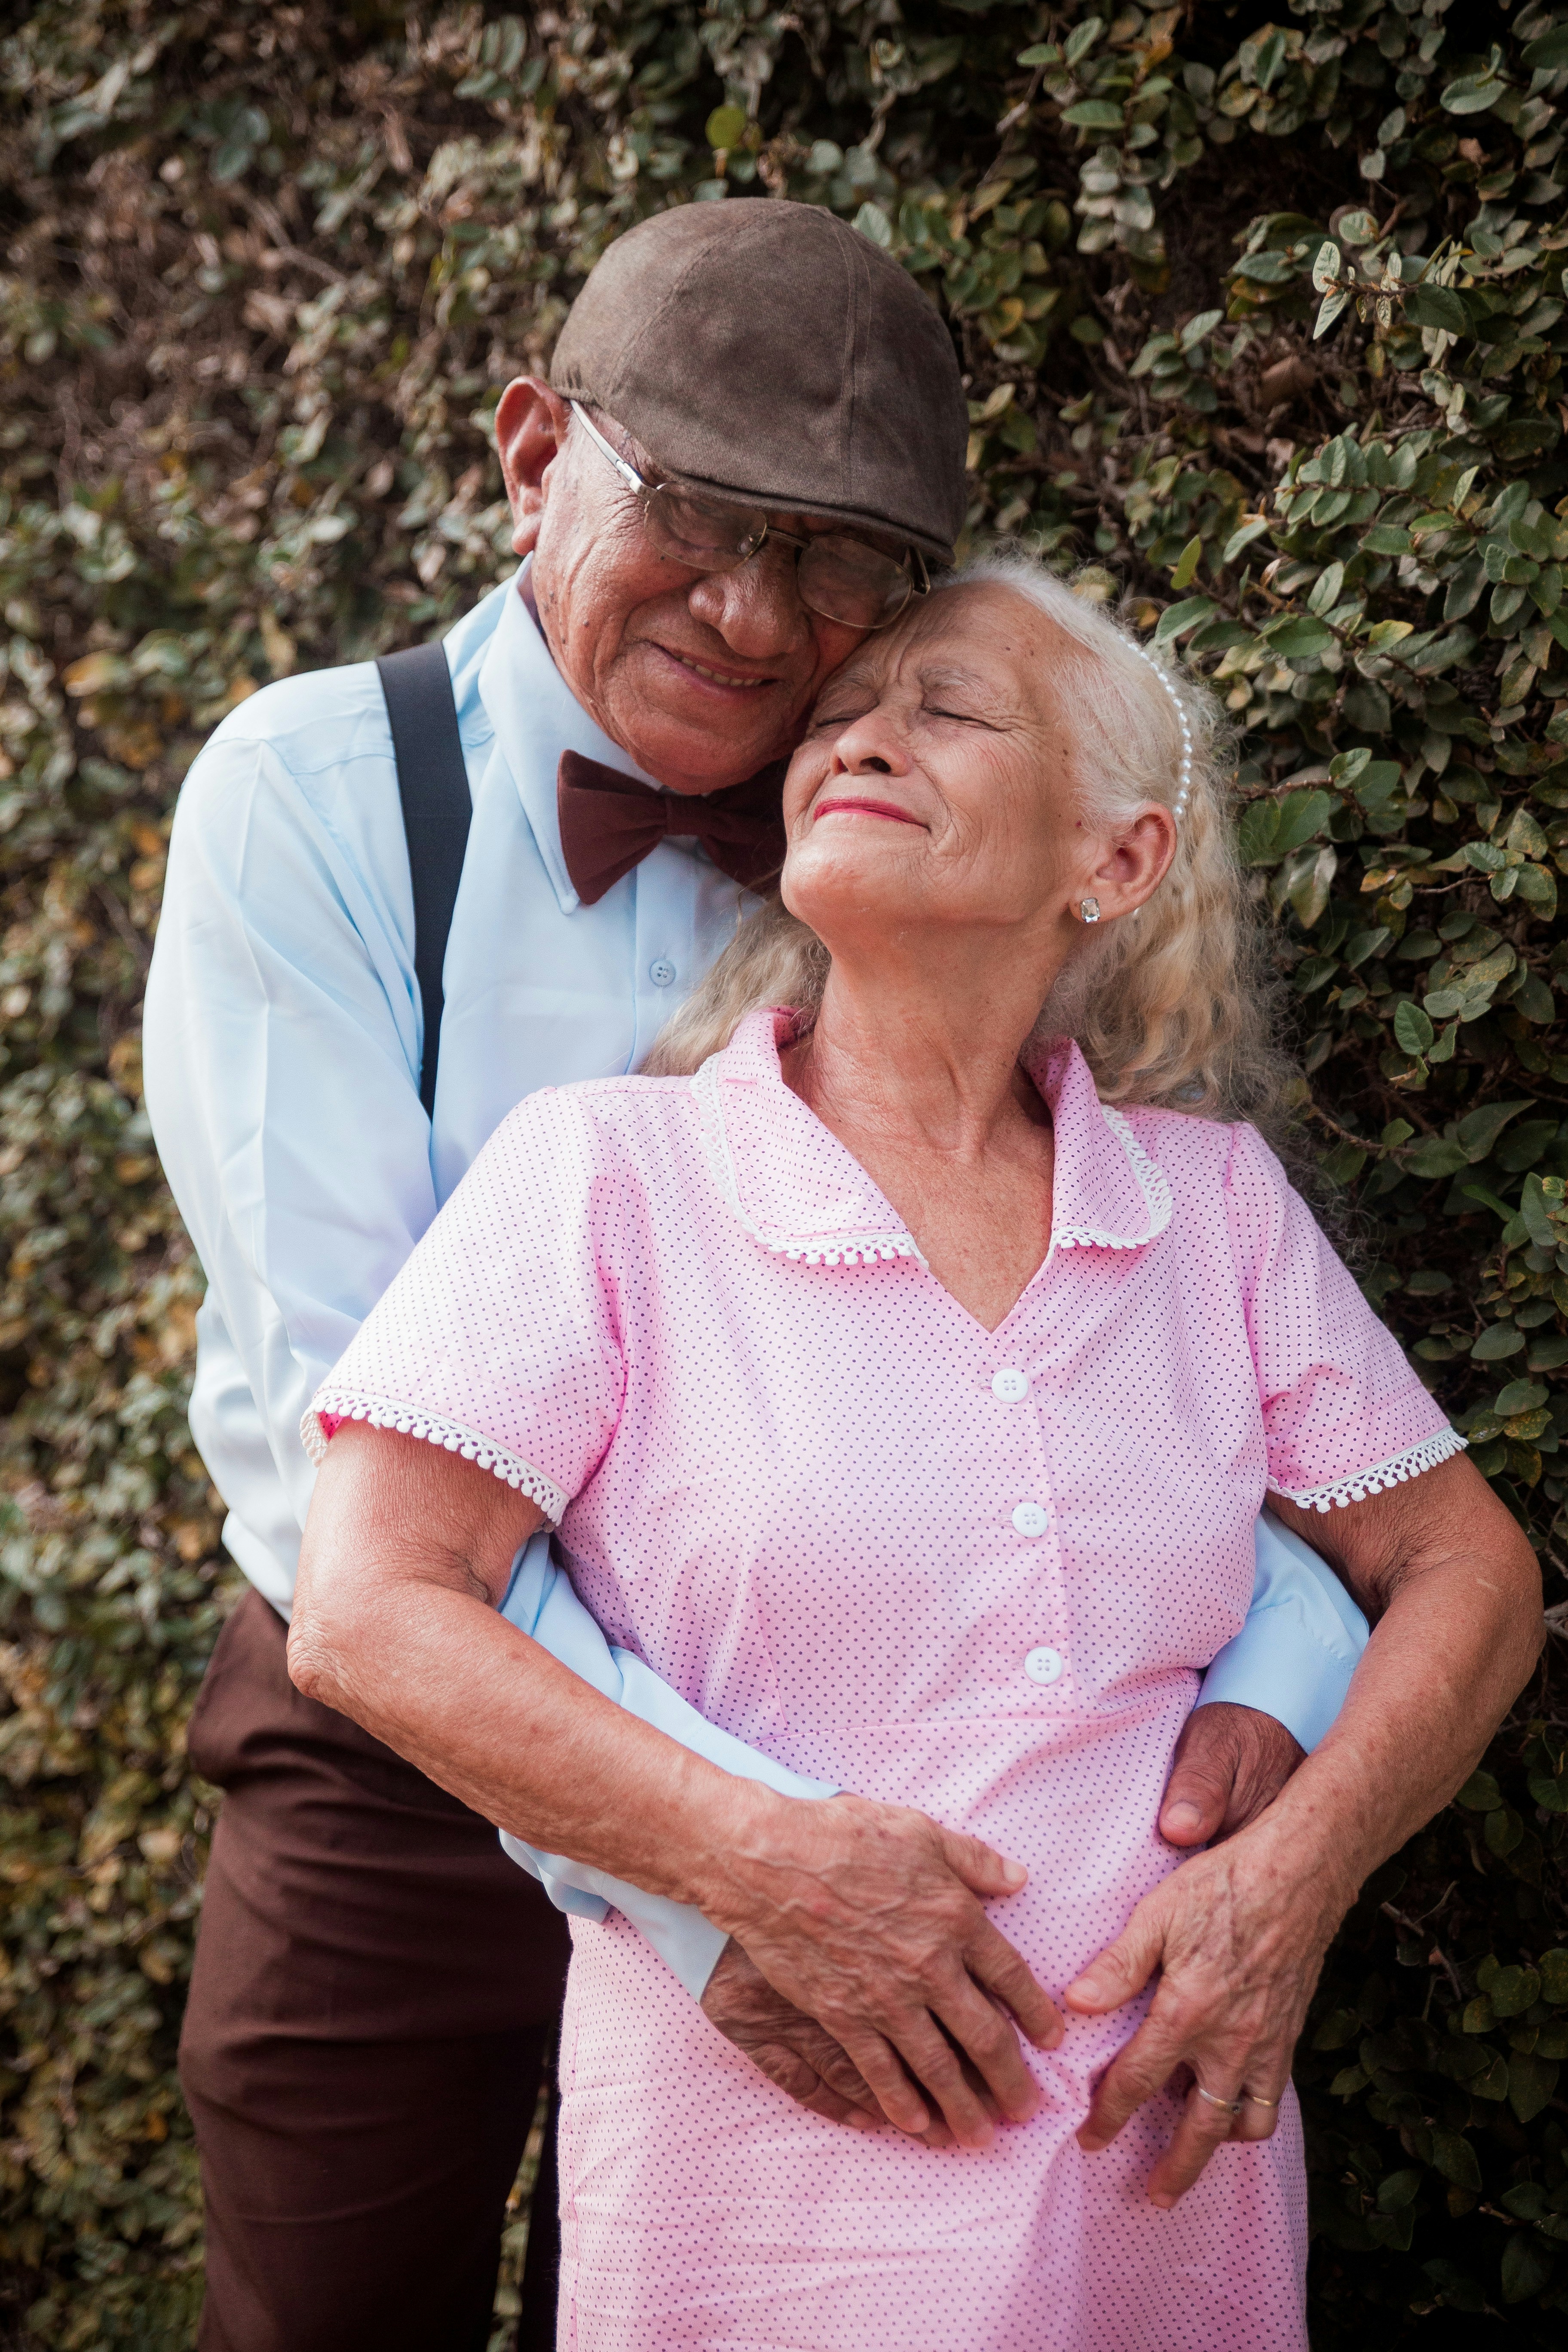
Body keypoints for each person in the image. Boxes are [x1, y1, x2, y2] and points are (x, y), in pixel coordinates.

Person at [147, 203, 1373, 2349]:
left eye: (833, 564)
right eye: (696, 519)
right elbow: (350, 1477)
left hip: (887, 1787)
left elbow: (1116, 1346)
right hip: (409, 1775)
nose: (750, 613)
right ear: (536, 456)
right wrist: (716, 1867)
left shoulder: (925, 837)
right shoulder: (316, 798)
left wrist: (1280, 1664)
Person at [287, 549, 1542, 2350]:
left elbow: (1469, 1567)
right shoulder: (606, 1173)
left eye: (948, 709)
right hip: (761, 2197)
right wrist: (754, 1864)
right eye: (845, 713)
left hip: (1165, 2176)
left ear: (1117, 859)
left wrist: (1297, 1877)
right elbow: (365, 1609)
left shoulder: (1212, 1207)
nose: (862, 737)